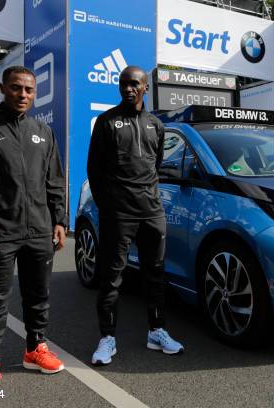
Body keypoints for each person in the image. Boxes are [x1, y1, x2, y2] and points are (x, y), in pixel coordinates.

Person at [0, 66, 67, 390]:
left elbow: (55, 180)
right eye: (17, 88)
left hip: (39, 231)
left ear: (35, 94)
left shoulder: (43, 131)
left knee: (39, 297)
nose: (23, 95)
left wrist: (59, 220)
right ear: (3, 89)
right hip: (0, 232)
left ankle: (35, 349)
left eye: (29, 90)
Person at [87, 66, 184, 365]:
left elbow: (154, 166)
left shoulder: (156, 125)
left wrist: (149, 201)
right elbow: (94, 170)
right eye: (123, 84)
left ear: (145, 88)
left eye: (134, 84)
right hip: (118, 214)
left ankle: (157, 332)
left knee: (154, 275)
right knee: (112, 277)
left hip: (151, 213)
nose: (128, 89)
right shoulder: (106, 121)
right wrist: (108, 206)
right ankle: (107, 339)